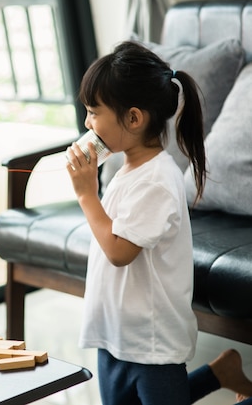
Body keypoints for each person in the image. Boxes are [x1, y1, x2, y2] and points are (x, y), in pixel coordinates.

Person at [65, 40, 206, 405]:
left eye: (94, 112)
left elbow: (118, 251)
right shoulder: (125, 165)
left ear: (133, 118)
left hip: (151, 341)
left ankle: (222, 375)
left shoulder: (157, 180)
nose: (86, 122)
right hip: (114, 332)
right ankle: (219, 373)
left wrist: (86, 195)